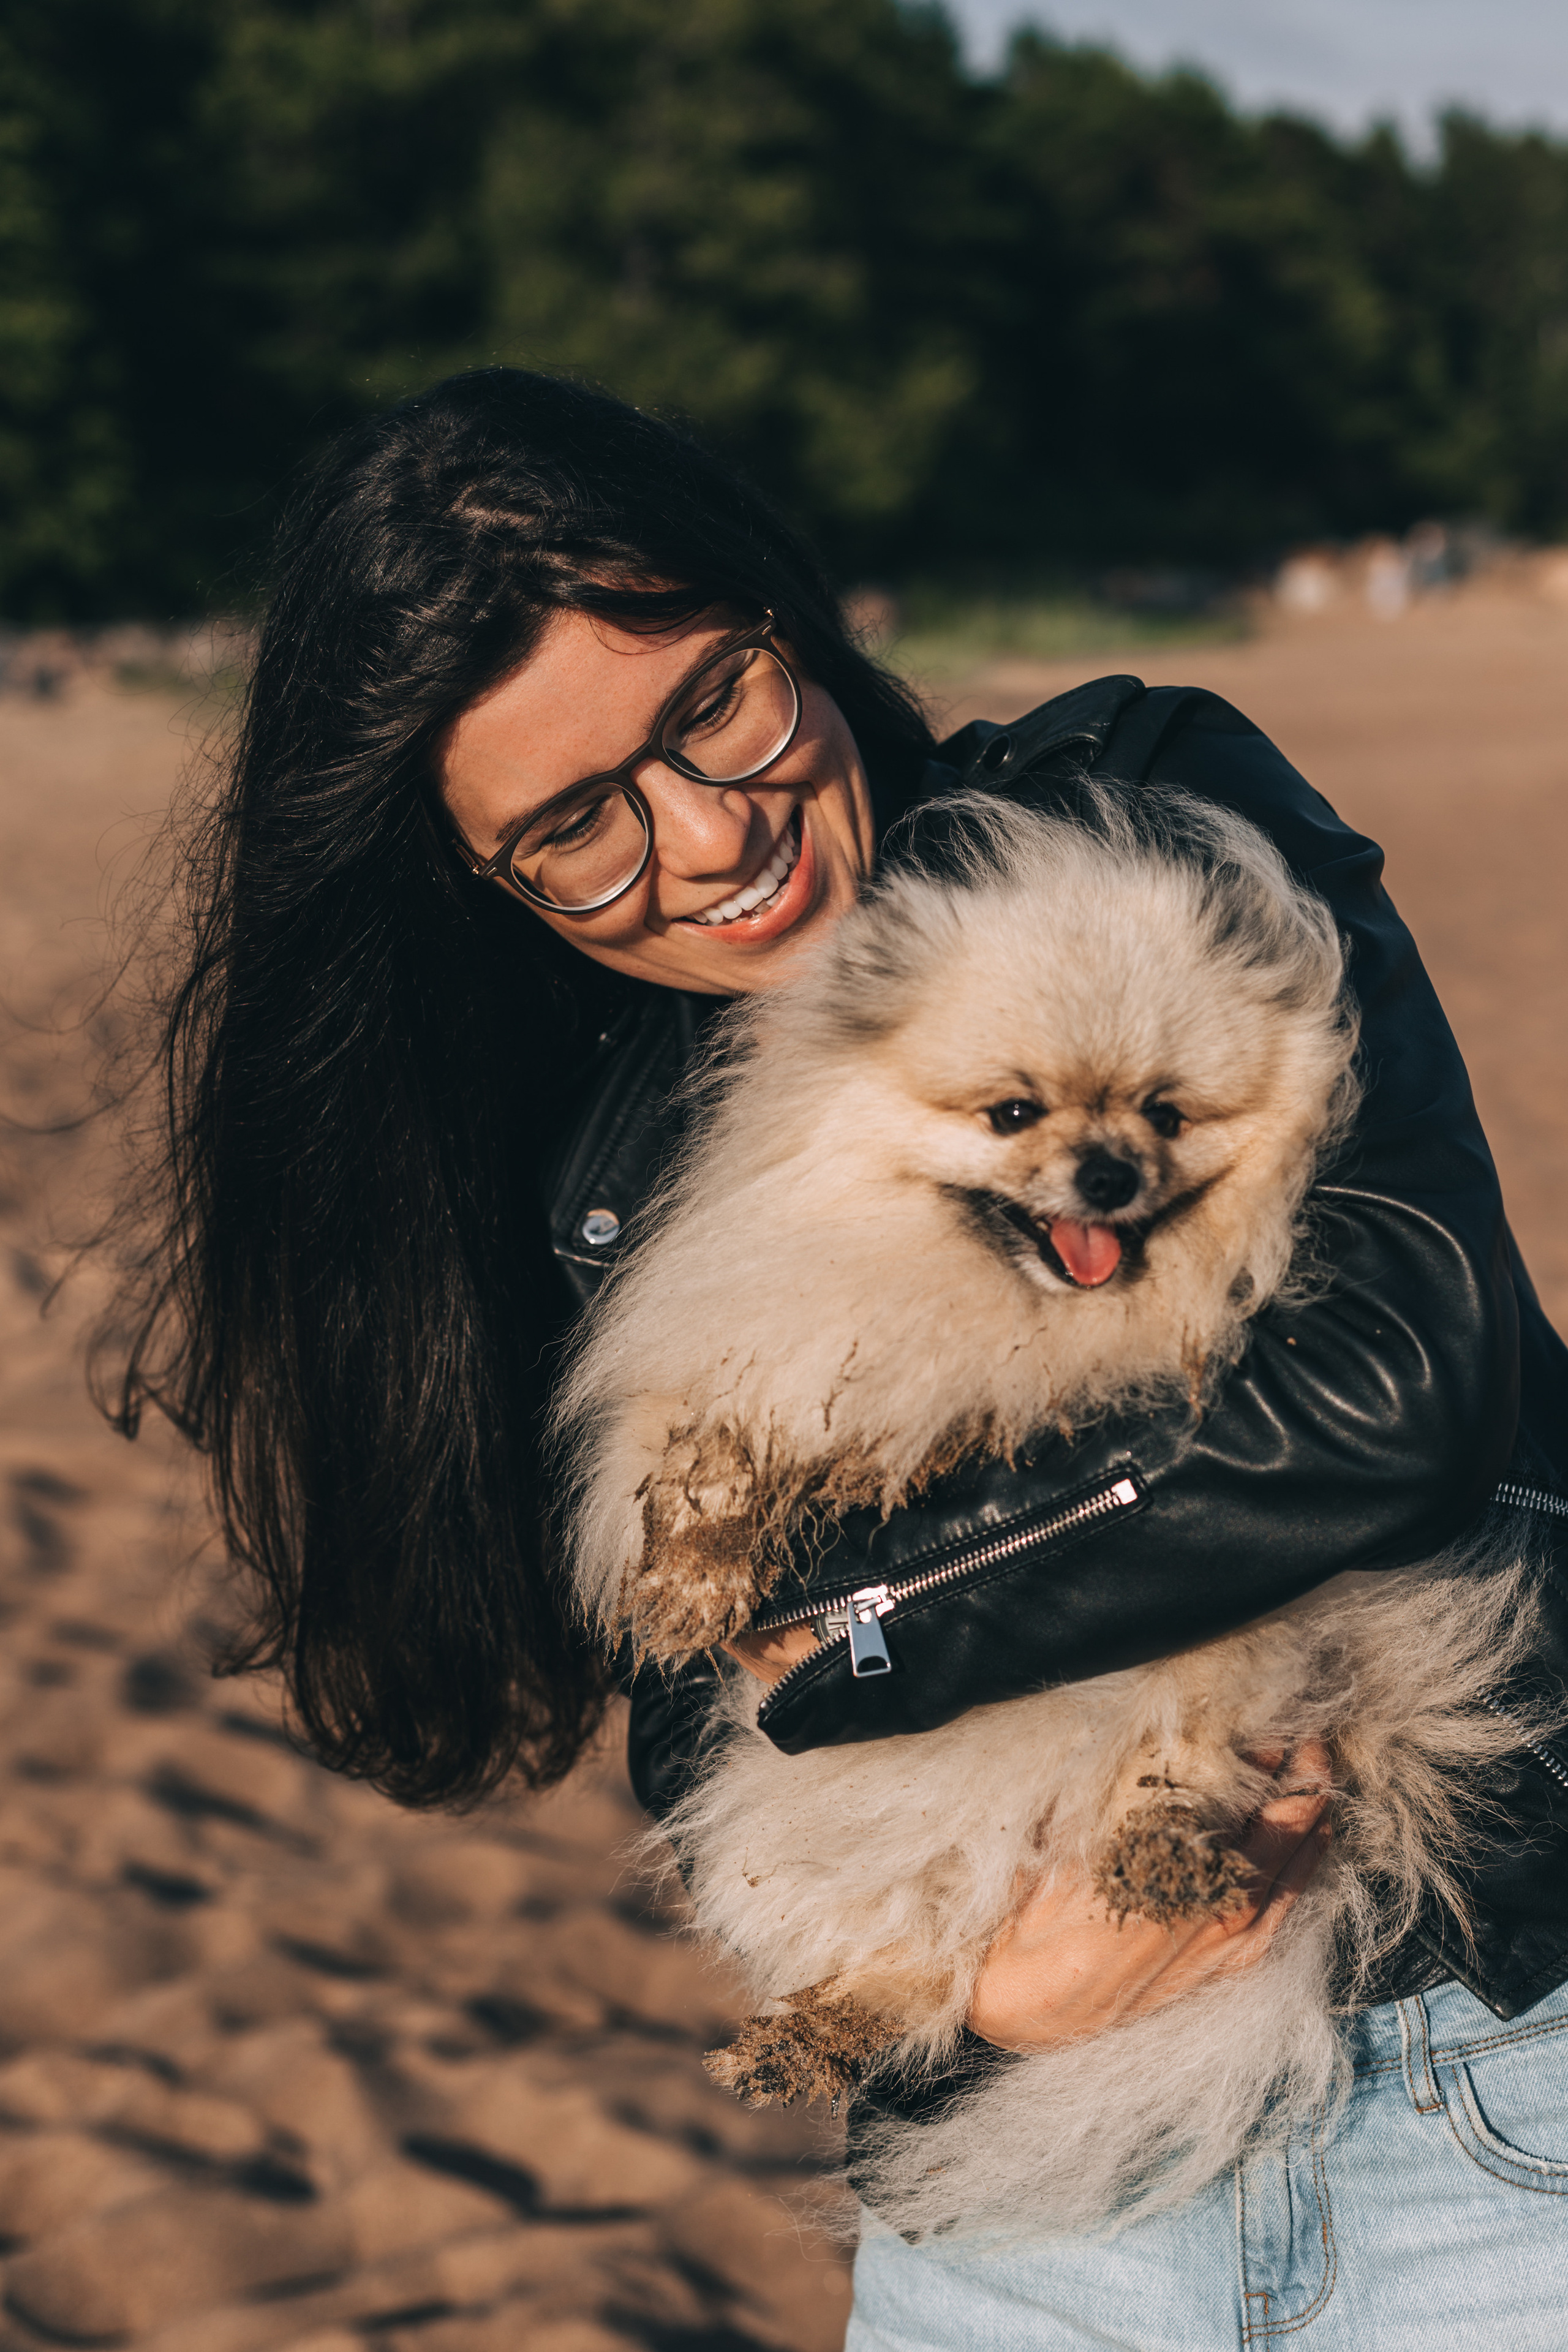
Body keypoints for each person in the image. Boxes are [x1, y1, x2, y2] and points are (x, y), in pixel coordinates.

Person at [104, 368, 1568, 2347]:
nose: (711, 835)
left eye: (710, 703)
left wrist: (863, 1627)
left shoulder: (1137, 812)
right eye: (578, 831)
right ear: (487, 880)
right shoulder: (596, 1170)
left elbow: (1406, 1384)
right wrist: (980, 2007)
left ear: (783, 612)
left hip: (1471, 2085)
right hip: (1030, 2180)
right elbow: (704, 1708)